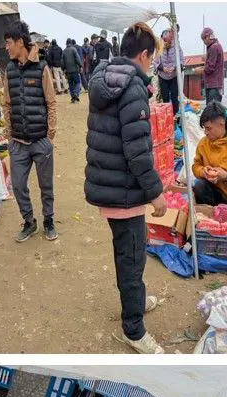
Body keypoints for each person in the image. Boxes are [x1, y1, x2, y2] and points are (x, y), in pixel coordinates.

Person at [85, 22, 168, 355]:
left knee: (130, 251)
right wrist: (156, 193)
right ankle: (134, 329)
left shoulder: (103, 79)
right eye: (151, 59)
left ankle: (136, 302)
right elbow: (137, 151)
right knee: (132, 257)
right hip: (124, 192)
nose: (151, 66)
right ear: (144, 54)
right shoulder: (132, 88)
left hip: (109, 185)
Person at [3, 23, 57, 242]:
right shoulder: (9, 70)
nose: (6, 48)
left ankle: (48, 220)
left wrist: (49, 135)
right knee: (17, 185)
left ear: (19, 42)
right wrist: (8, 133)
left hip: (40, 140)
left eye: (8, 43)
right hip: (18, 142)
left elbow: (51, 103)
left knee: (46, 186)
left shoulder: (41, 68)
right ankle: (29, 222)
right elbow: (6, 104)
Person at [153, 30, 181, 118]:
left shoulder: (177, 47)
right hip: (163, 77)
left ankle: (176, 117)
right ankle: (167, 117)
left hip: (173, 76)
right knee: (165, 99)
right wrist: (162, 68)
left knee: (174, 98)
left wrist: (175, 68)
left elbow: (181, 60)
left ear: (171, 39)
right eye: (164, 40)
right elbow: (155, 62)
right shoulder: (159, 48)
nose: (166, 42)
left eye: (168, 40)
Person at [200, 27, 224, 103]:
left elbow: (210, 68)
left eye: (203, 40)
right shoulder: (215, 46)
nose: (204, 42)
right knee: (213, 109)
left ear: (207, 37)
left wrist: (200, 70)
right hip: (214, 85)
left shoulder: (214, 47)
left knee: (213, 110)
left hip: (213, 85)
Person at [63, 38, 82, 103]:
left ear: (66, 43)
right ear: (71, 43)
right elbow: (78, 58)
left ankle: (73, 98)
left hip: (68, 71)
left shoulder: (64, 51)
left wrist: (63, 69)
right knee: (78, 82)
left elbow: (62, 62)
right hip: (75, 70)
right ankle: (76, 94)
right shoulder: (74, 49)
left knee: (70, 84)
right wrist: (80, 65)